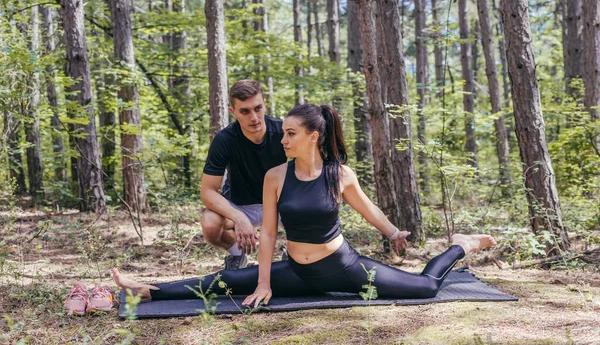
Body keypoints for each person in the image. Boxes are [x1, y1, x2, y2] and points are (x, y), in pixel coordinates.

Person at [112, 104, 496, 305]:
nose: (283, 139)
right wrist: (264, 282)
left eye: (291, 134)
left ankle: (462, 244)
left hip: (344, 267)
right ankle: (147, 290)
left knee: (427, 287)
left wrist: (393, 232)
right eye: (285, 133)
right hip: (296, 271)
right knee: (226, 281)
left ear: (313, 137)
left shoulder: (340, 174)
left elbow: (367, 208)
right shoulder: (276, 177)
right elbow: (266, 234)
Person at [200, 80, 287, 269]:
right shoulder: (225, 140)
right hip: (239, 204)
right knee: (210, 224)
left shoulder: (283, 132)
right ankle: (236, 255)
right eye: (245, 111)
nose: (254, 117)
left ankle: (294, 252)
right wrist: (238, 217)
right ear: (233, 112)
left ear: (265, 104)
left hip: (279, 202)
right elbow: (207, 191)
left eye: (258, 108)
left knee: (310, 212)